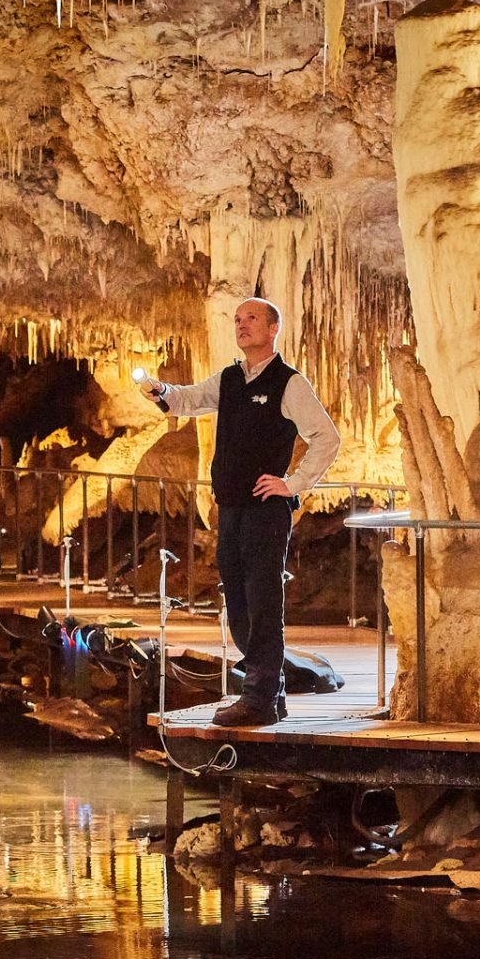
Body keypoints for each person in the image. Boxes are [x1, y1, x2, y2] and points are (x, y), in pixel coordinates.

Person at [142, 298, 340, 726]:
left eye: (251, 319)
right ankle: (271, 689)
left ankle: (259, 698)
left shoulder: (289, 383)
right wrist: (161, 392)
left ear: (273, 329)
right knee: (238, 601)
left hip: (266, 510)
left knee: (263, 600)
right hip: (230, 508)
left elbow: (326, 437)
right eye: (237, 319)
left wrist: (293, 483)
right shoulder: (231, 379)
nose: (242, 325)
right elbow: (188, 400)